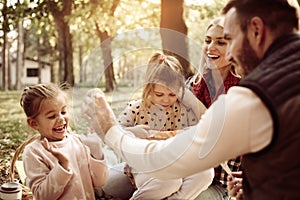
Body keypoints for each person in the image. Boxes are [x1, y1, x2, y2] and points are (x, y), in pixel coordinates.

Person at [82, 0, 300, 199]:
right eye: (209, 41)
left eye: (229, 40)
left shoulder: (253, 96)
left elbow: (169, 159)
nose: (231, 53)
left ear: (256, 30)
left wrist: (110, 128)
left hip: (197, 175)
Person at [117, 52, 213, 199]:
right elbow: (115, 132)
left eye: (172, 94)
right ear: (148, 89)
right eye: (159, 95)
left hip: (176, 162)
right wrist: (135, 132)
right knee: (170, 181)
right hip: (144, 165)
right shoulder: (137, 108)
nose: (166, 100)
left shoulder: (183, 110)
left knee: (206, 173)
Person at [20, 83, 108, 200]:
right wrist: (62, 166)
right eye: (52, 116)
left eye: (63, 112)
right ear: (34, 123)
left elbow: (99, 183)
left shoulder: (78, 141)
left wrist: (96, 151)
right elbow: (42, 196)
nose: (61, 119)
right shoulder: (34, 152)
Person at [187, 17, 242, 200]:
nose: (210, 47)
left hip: (221, 182)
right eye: (207, 40)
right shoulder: (193, 85)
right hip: (183, 172)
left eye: (221, 42)